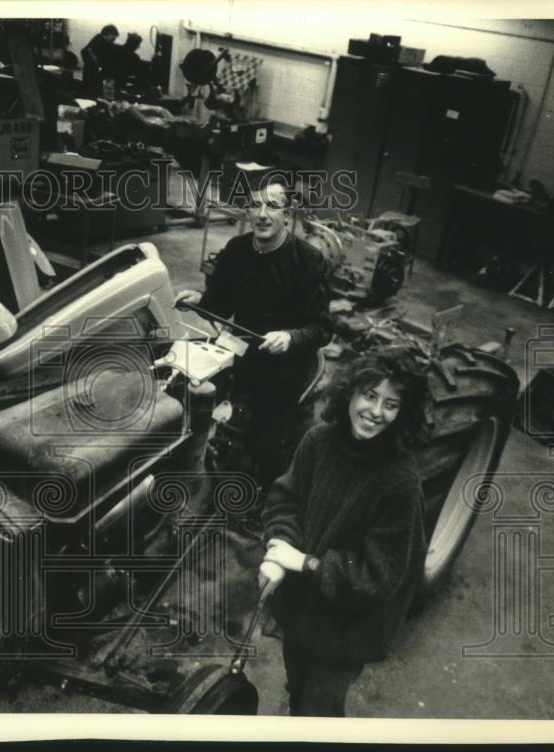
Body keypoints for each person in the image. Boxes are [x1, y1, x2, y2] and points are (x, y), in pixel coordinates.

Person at [256, 347, 431, 717]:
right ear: (350, 392)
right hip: (303, 608)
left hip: (348, 630)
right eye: (369, 395)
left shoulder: (401, 481)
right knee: (298, 686)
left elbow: (379, 577)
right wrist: (279, 548)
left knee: (318, 710)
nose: (376, 412)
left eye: (391, 404)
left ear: (404, 413)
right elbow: (285, 501)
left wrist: (304, 562)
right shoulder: (318, 442)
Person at [174, 181, 332, 491]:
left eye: (272, 206)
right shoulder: (236, 250)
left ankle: (266, 497)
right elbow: (219, 303)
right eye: (255, 205)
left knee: (266, 445)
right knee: (191, 401)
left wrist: (291, 337)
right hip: (241, 353)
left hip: (284, 367)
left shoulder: (309, 261)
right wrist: (199, 300)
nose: (262, 214)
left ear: (287, 214)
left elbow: (322, 328)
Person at [81, 24, 119, 97]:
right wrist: (96, 65)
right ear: (108, 34)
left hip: (90, 72)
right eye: (113, 38)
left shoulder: (98, 39)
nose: (113, 41)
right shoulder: (100, 41)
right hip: (92, 74)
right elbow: (86, 52)